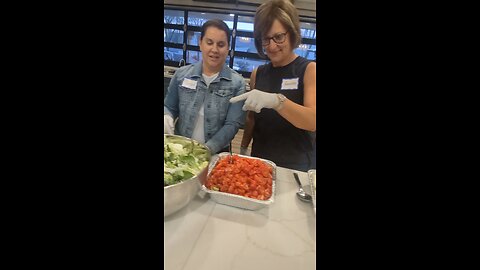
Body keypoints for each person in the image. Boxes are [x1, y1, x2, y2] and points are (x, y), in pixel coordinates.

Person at [230, 0, 316, 171]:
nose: (272, 46)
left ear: (292, 33)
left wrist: (278, 102)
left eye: (278, 37)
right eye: (266, 39)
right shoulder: (258, 73)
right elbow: (251, 118)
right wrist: (244, 148)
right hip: (260, 161)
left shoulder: (309, 70)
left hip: (295, 165)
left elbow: (312, 121)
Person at [164, 19, 246, 154]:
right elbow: (169, 107)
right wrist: (166, 116)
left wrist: (207, 150)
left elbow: (232, 124)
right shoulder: (181, 75)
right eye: (209, 42)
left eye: (220, 44)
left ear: (227, 48)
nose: (214, 49)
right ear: (200, 43)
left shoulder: (237, 83)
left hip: (216, 154)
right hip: (180, 150)